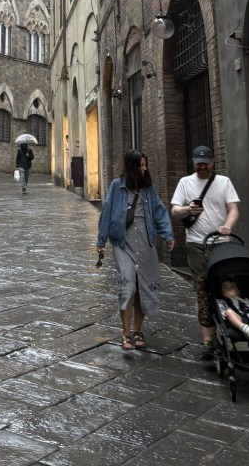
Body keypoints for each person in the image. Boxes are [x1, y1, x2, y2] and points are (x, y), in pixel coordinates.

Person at [96, 150, 175, 350]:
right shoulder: (117, 186)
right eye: (141, 165)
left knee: (143, 287)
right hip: (123, 242)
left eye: (145, 165)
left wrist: (167, 234)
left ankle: (138, 330)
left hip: (146, 241)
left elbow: (159, 211)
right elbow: (106, 212)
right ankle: (125, 333)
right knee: (128, 282)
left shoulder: (149, 189)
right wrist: (101, 240)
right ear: (132, 167)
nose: (145, 168)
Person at [171, 145, 240, 360]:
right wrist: (187, 210)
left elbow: (233, 209)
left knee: (227, 287)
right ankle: (208, 340)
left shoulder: (224, 182)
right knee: (202, 288)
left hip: (222, 243)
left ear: (212, 163)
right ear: (194, 163)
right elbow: (174, 210)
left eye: (206, 163)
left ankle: (234, 330)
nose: (202, 166)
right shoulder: (185, 182)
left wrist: (228, 225)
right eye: (199, 163)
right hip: (196, 243)